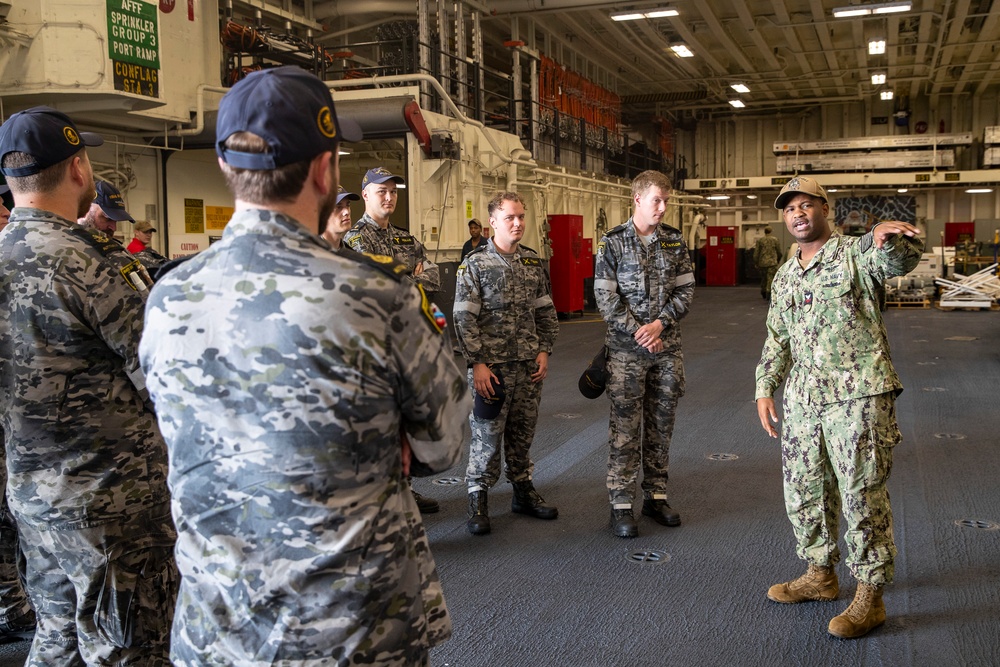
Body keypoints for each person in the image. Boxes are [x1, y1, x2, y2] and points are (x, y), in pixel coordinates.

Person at [139, 66, 471, 666]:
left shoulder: (167, 298)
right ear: (325, 170)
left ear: (227, 169)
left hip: (217, 631)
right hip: (349, 632)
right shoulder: (376, 298)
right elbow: (444, 445)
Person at [0, 106, 176, 665]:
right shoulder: (90, 262)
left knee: (57, 637)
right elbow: (158, 374)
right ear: (79, 169)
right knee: (129, 647)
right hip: (111, 504)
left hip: (33, 496)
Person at [755, 175, 922, 639]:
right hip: (805, 399)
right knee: (805, 489)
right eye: (790, 209)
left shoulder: (855, 253)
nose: (798, 214)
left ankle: (870, 593)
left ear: (825, 210)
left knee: (862, 492)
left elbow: (896, 259)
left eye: (807, 205)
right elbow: (778, 336)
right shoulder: (786, 272)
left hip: (858, 395)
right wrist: (764, 387)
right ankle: (820, 574)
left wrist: (888, 242)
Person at [593, 169, 695, 539]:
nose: (663, 207)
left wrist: (660, 324)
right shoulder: (613, 242)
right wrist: (640, 331)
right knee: (625, 426)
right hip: (625, 352)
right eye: (657, 200)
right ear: (637, 199)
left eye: (667, 201)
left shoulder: (673, 241)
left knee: (661, 423)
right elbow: (605, 297)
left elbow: (686, 291)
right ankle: (621, 501)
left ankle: (655, 495)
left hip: (666, 349)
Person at [453, 191, 560, 536]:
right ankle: (478, 496)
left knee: (522, 432)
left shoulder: (531, 262)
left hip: (528, 365)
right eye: (510, 218)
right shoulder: (475, 264)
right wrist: (477, 362)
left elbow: (546, 310)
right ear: (492, 224)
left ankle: (522, 490)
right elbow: (463, 319)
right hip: (492, 370)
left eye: (521, 217)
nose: (517, 223)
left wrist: (544, 349)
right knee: (486, 435)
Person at [344, 166, 443, 513]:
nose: (388, 197)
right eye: (381, 191)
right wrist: (409, 279)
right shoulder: (355, 240)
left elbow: (434, 275)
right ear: (366, 194)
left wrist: (405, 279)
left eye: (393, 191)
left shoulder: (405, 239)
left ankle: (404, 488)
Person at [320, 185, 360, 251]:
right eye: (338, 207)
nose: (346, 212)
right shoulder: (311, 252)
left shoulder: (351, 254)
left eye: (348, 205)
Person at [753, 226, 783, 300]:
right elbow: (779, 252)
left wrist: (756, 262)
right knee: (771, 278)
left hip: (762, 262)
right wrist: (778, 260)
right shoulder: (775, 240)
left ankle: (763, 291)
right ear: (771, 231)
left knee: (764, 278)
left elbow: (756, 253)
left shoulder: (760, 240)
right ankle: (769, 292)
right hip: (772, 262)